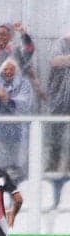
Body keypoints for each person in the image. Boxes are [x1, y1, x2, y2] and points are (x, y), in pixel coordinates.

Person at [0, 58, 33, 181]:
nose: (8, 72)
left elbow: (25, 104)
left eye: (11, 69)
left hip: (18, 132)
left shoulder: (24, 85)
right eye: (5, 69)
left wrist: (8, 100)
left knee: (16, 164)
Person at [45, 32, 70, 172]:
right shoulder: (62, 42)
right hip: (59, 99)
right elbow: (54, 61)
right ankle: (53, 165)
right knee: (56, 134)